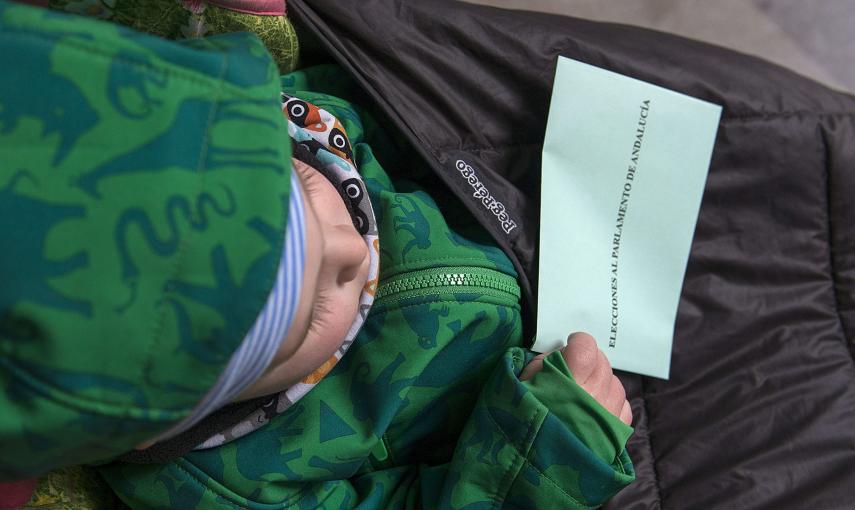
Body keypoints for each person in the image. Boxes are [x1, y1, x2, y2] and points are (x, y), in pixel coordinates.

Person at [0, 2, 635, 508]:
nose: (350, 244)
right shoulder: (218, 484)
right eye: (308, 314)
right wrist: (544, 454)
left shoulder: (285, 121)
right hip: (577, 390)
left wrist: (249, 25)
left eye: (300, 190)